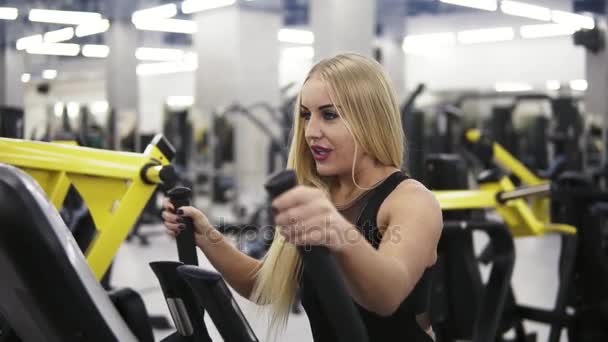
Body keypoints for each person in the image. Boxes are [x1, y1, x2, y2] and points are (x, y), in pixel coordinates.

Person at [161, 53, 442, 341]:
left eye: (329, 115)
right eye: (307, 115)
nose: (310, 131)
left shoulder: (411, 201)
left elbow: (387, 295)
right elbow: (265, 285)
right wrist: (206, 235)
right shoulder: (319, 196)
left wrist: (336, 230)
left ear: (370, 119)